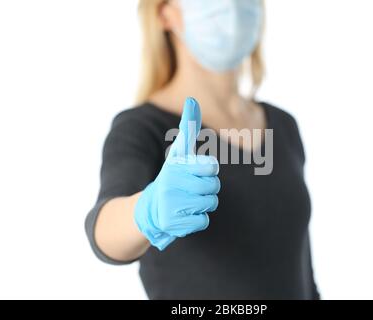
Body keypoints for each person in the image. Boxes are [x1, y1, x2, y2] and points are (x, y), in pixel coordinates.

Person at [85, 0, 320, 300]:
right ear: (166, 13)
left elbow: (302, 271)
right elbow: (103, 231)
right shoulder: (143, 128)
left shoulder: (283, 126)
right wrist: (146, 212)